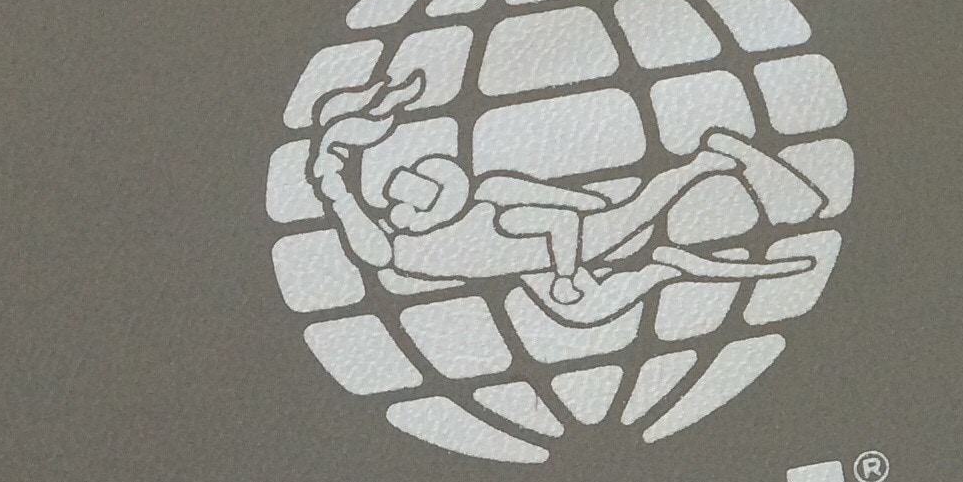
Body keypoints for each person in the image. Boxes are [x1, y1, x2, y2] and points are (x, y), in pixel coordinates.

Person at [307, 60, 821, 326]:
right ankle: (666, 265)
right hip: (540, 260)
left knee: (645, 208)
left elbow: (562, 220)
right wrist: (334, 183)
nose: (397, 224)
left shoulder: (486, 219)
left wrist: (568, 273)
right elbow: (374, 250)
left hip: (574, 245)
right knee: (586, 311)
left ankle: (708, 160)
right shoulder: (423, 242)